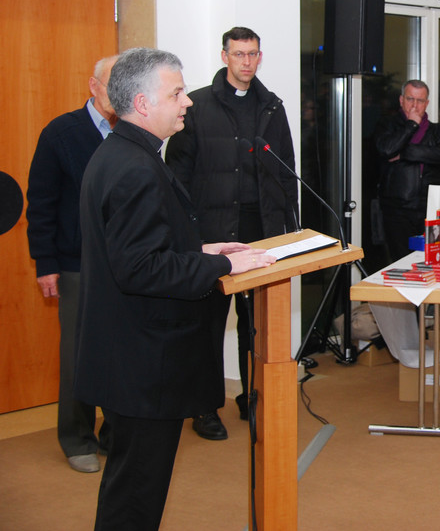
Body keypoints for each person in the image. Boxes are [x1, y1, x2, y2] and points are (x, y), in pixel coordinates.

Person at [75, 47, 274, 531]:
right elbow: (141, 269)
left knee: (130, 490)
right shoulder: (134, 167)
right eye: (177, 93)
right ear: (143, 103)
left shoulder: (125, 153)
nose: (187, 102)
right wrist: (221, 265)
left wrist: (203, 249)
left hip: (131, 357)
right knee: (134, 500)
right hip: (143, 364)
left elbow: (138, 245)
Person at [165, 26, 298, 439]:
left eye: (253, 54)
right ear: (224, 56)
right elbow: (176, 177)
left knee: (254, 324)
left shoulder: (272, 106)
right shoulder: (197, 106)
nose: (246, 61)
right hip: (213, 232)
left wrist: (291, 229)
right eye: (239, 54)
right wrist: (186, 236)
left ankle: (251, 397)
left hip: (261, 230)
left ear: (260, 57)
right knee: (207, 324)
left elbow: (286, 170)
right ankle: (204, 407)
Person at [25, 55, 118, 474]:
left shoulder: (135, 131)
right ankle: (77, 438)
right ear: (93, 86)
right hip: (76, 263)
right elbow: (41, 203)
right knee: (78, 354)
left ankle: (114, 435)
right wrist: (46, 263)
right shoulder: (61, 133)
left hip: (125, 263)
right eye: (112, 83)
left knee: (121, 352)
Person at [374, 80, 440, 260]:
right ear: (401, 100)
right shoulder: (387, 125)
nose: (415, 105)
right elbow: (387, 149)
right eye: (410, 99)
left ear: (427, 103)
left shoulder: (438, 131)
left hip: (430, 208)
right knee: (401, 262)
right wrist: (411, 125)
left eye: (420, 100)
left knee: (430, 261)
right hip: (397, 209)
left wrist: (404, 153)